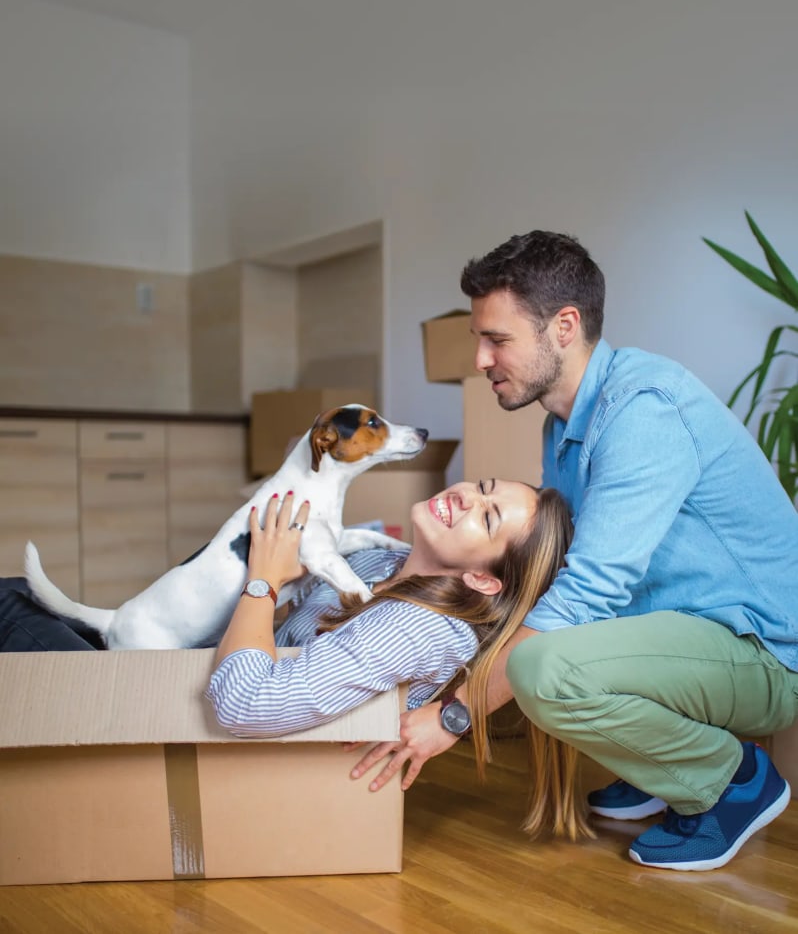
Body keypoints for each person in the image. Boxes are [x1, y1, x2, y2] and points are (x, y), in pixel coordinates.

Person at [351, 229, 798, 872]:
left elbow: (588, 593)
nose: (479, 359)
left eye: (497, 339)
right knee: (529, 629)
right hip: (687, 635)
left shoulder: (642, 411)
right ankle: (661, 768)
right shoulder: (562, 425)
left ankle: (732, 779)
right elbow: (559, 566)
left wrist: (453, 717)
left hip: (764, 653)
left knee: (542, 668)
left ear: (564, 326)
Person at [0, 476, 582, 839]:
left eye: (485, 516)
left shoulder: (415, 627)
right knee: (20, 597)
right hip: (197, 680)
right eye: (482, 487)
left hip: (209, 744)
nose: (465, 496)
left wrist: (264, 580)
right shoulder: (389, 566)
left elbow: (244, 705)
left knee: (8, 602)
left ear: (483, 579)